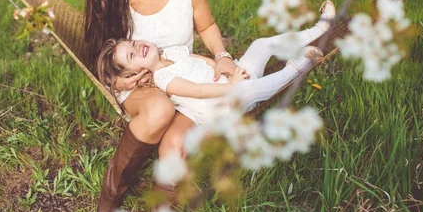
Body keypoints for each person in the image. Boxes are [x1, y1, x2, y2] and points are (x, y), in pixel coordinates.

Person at [84, 0, 334, 212]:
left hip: (185, 81)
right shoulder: (113, 1)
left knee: (174, 146)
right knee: (160, 108)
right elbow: (100, 54)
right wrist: (120, 81)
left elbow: (207, 27)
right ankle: (112, 195)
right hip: (140, 87)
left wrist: (222, 58)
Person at [96, 40, 324, 128]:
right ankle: (297, 68)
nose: (138, 48)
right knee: (250, 89)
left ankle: (318, 30)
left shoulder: (172, 52)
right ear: (137, 73)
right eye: (132, 55)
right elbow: (199, 91)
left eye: (134, 43)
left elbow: (203, 61)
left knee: (260, 45)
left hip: (226, 80)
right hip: (224, 106)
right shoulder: (164, 79)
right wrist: (233, 86)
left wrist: (226, 67)